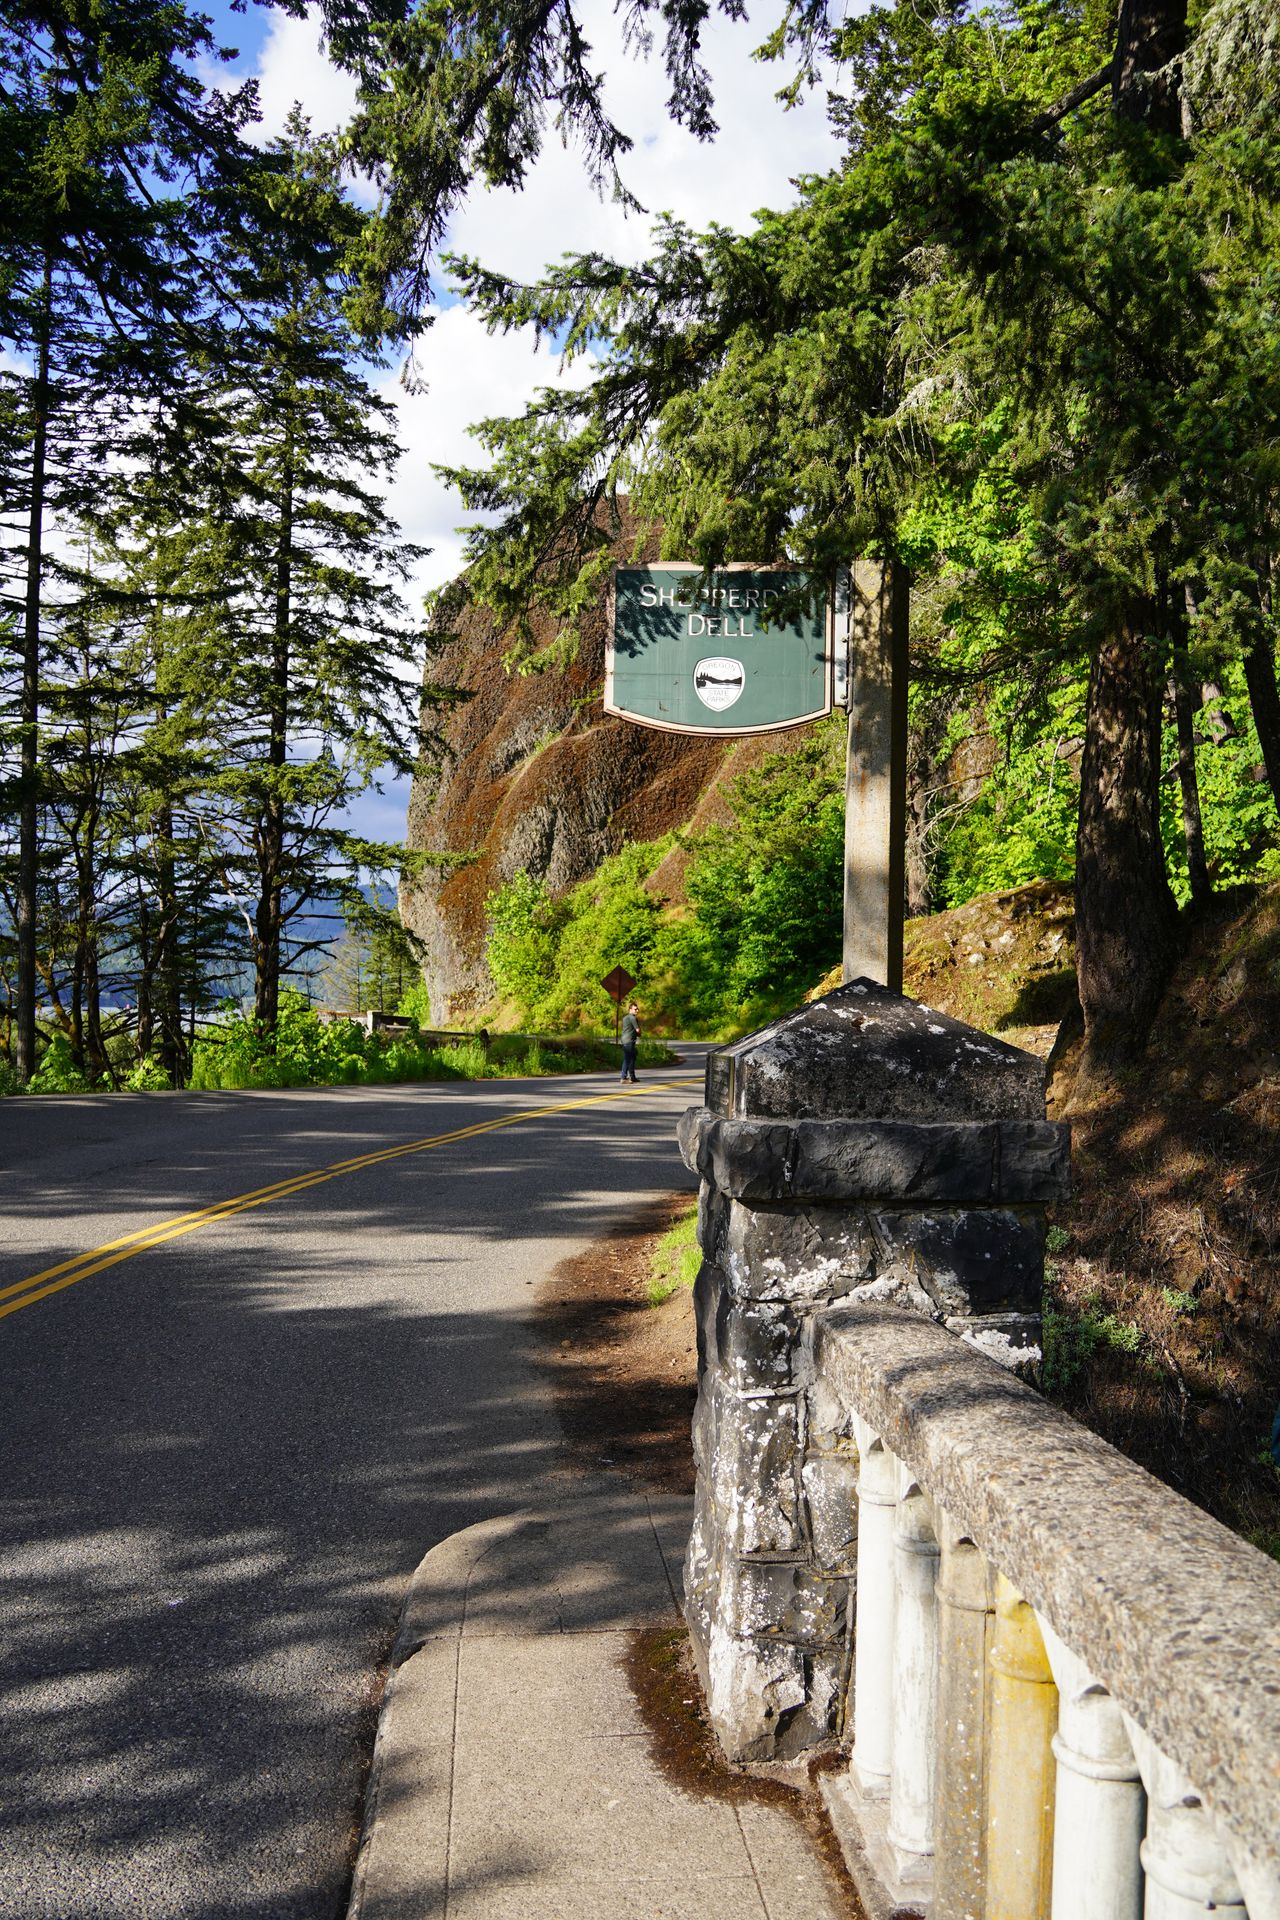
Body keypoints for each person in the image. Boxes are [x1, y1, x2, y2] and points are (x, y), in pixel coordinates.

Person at [619, 1002, 640, 1082]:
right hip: (629, 1041)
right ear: (630, 1009)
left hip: (625, 1039)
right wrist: (639, 1034)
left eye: (637, 1009)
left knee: (633, 1056)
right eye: (635, 1009)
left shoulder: (625, 1018)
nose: (637, 1010)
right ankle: (623, 1077)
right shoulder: (633, 1018)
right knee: (627, 1059)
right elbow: (637, 1030)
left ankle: (632, 1077)